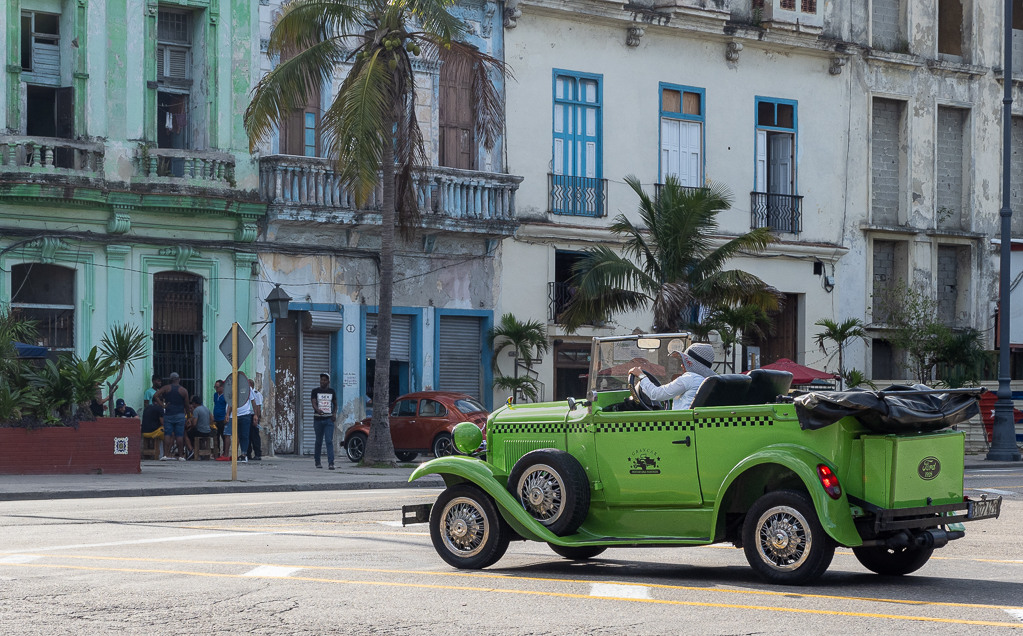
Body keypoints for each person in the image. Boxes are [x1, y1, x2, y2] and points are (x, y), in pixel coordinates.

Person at [632, 343, 717, 410]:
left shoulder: (690, 378)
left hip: (682, 425)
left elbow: (656, 394)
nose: (681, 365)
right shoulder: (708, 381)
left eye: (684, 362)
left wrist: (641, 375)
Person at [155, 372, 191, 461]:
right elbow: (187, 405)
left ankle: (165, 455)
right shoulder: (183, 390)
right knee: (179, 435)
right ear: (179, 379)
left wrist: (162, 405)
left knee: (167, 434)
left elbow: (155, 395)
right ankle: (180, 456)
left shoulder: (166, 388)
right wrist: (189, 417)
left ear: (171, 379)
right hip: (180, 415)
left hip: (168, 414)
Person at [219, 377, 253, 464]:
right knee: (237, 435)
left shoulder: (247, 389)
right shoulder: (232, 389)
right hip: (235, 416)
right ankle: (238, 454)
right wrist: (227, 414)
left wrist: (256, 414)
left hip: (245, 415)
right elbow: (231, 403)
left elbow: (253, 401)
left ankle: (244, 454)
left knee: (244, 435)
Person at [311, 373, 338, 470]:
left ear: (328, 382)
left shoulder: (331, 392)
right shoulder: (315, 391)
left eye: (324, 380)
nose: (322, 382)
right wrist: (318, 410)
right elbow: (313, 403)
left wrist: (334, 414)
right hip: (318, 419)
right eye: (321, 380)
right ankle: (317, 461)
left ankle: (331, 462)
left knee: (329, 441)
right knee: (318, 441)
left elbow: (335, 404)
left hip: (328, 420)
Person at [247, 378, 264, 461]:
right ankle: (248, 453)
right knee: (248, 436)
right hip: (247, 415)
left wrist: (256, 416)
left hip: (253, 416)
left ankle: (257, 453)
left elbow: (258, 406)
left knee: (255, 435)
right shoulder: (246, 393)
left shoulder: (256, 394)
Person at [212, 380, 227, 457]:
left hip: (222, 418)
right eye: (215, 387)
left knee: (223, 436)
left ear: (222, 387)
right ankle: (216, 452)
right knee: (216, 436)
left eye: (217, 387)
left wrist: (226, 416)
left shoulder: (225, 396)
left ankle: (225, 452)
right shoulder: (215, 395)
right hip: (216, 418)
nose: (216, 389)